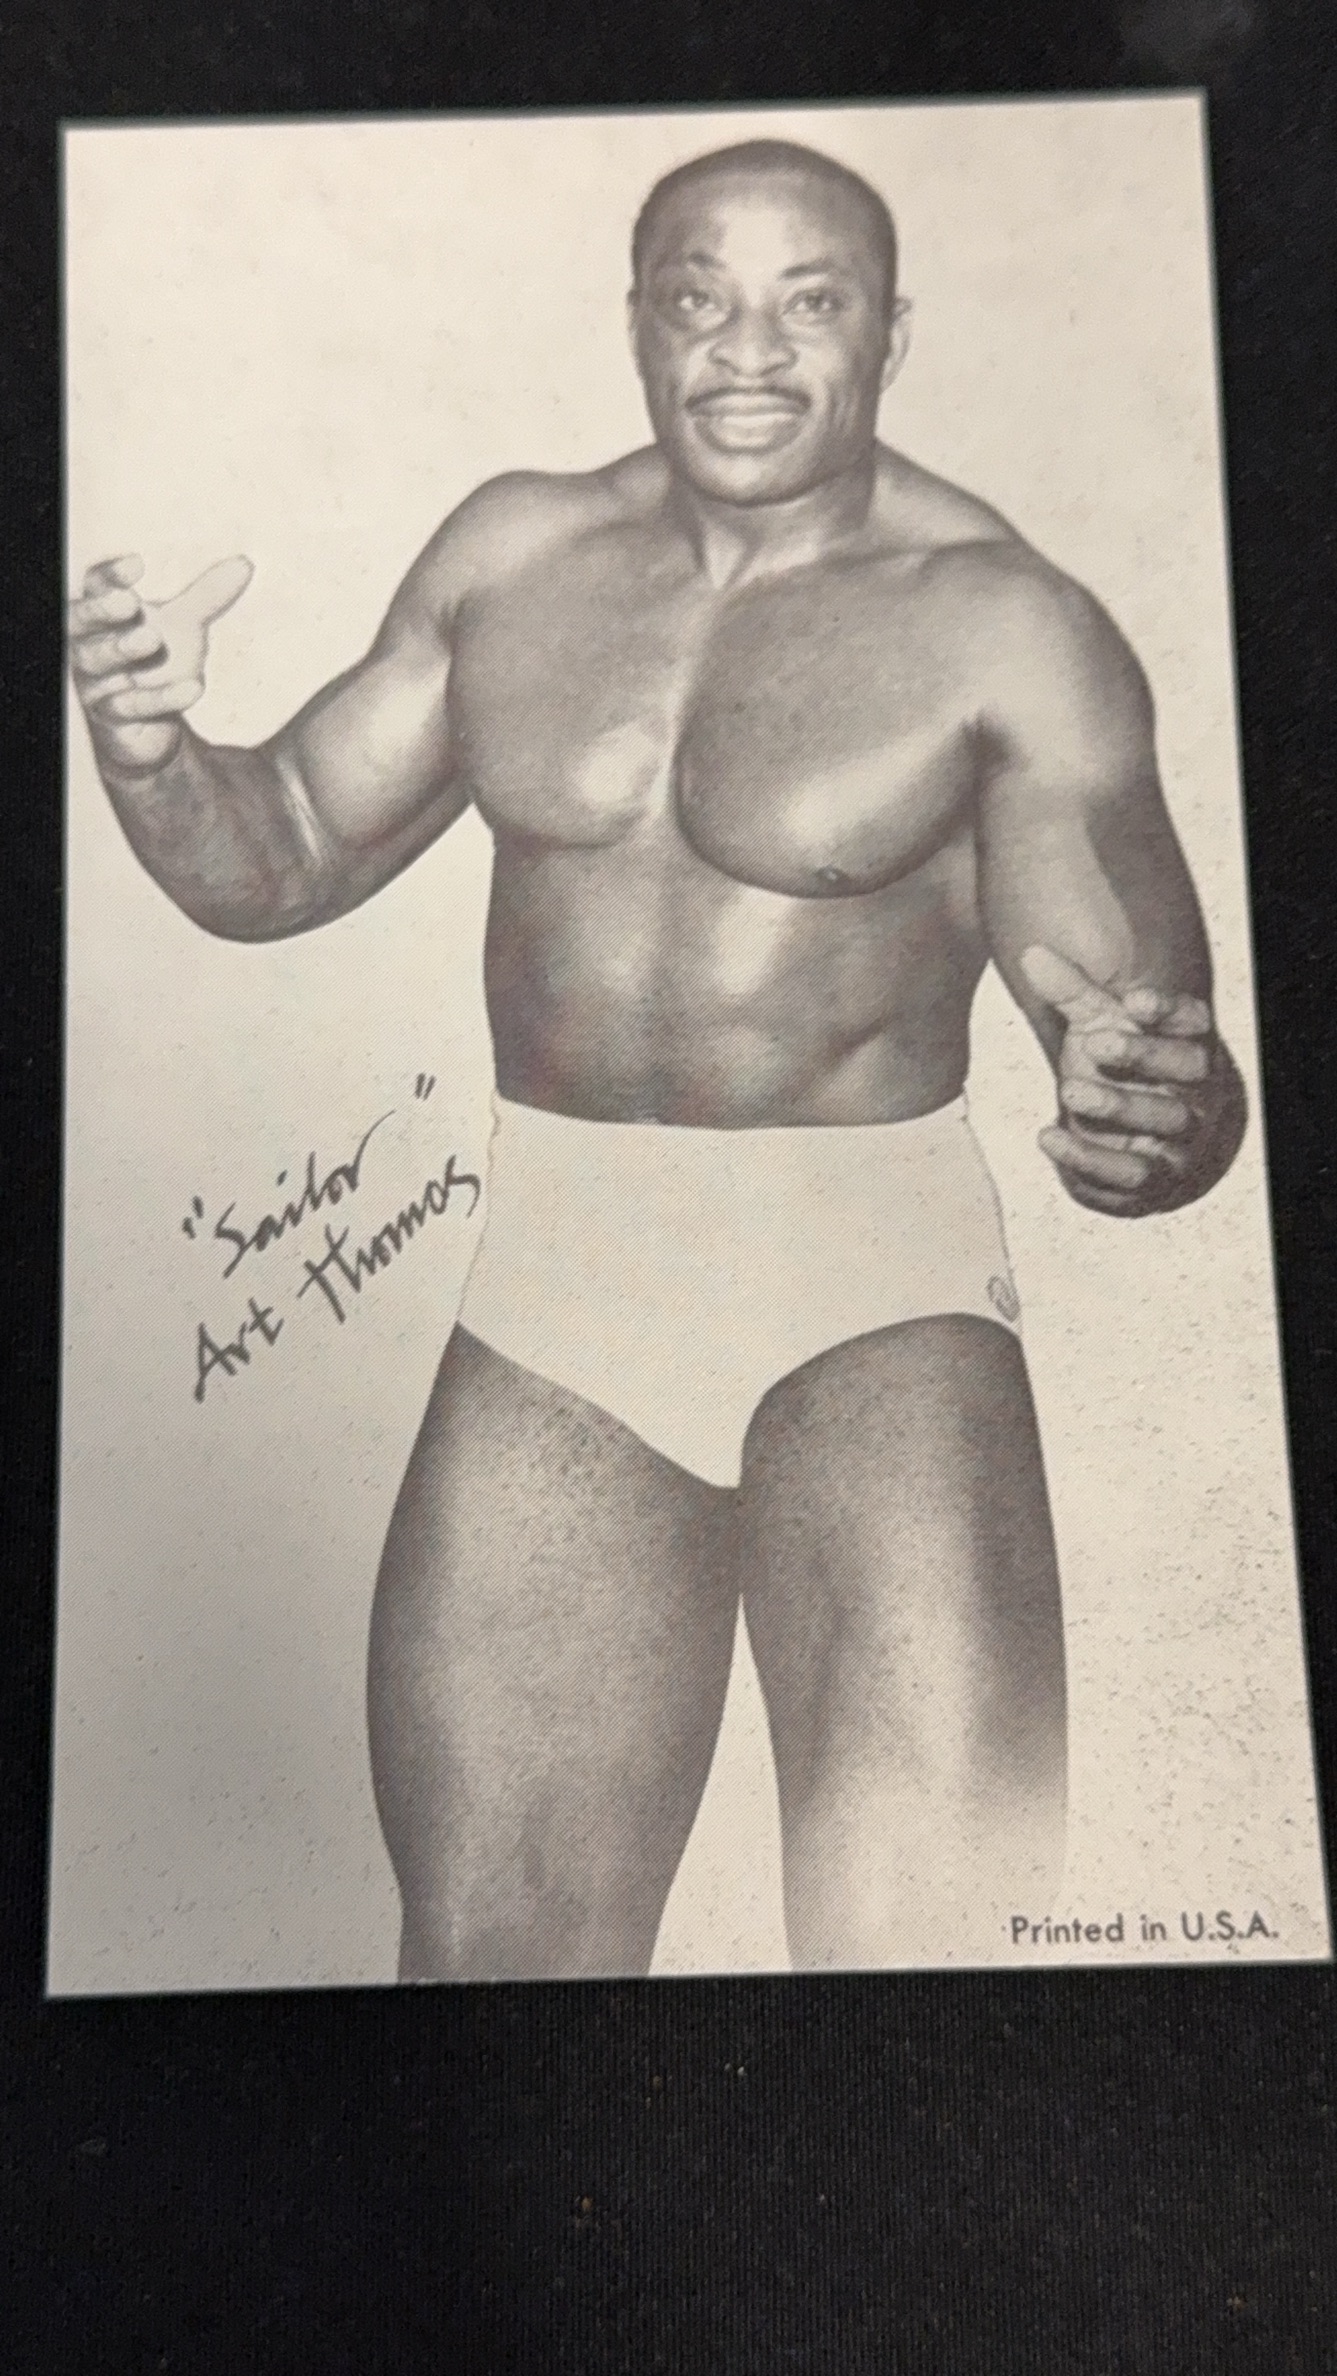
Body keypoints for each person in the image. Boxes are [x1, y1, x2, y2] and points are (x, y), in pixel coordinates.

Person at [68, 138, 1246, 1979]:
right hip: (562, 1293)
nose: (746, 350)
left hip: (874, 1293)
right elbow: (280, 849)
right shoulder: (514, 556)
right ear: (637, 323)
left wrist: (1149, 1122)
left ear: (889, 335)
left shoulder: (1007, 626)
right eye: (699, 299)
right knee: (491, 1983)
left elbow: (1151, 1059)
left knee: (927, 1974)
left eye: (808, 303)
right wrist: (148, 751)